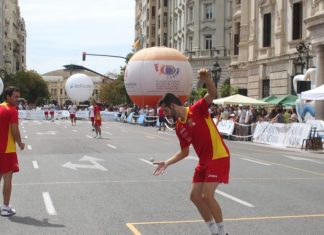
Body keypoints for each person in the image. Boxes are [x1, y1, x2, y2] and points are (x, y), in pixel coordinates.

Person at [153, 68, 230, 235]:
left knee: (207, 195)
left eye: (166, 111)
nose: (165, 115)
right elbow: (184, 152)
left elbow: (212, 93)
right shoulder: (179, 127)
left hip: (218, 156)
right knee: (195, 196)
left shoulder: (197, 109)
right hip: (204, 161)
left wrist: (207, 79)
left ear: (173, 106)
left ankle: (223, 232)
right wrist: (166, 162)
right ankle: (214, 231)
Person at [0, 86, 25, 216]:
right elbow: (14, 130)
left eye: (18, 96)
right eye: (15, 97)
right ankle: (5, 207)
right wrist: (20, 143)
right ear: (8, 96)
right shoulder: (12, 110)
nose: (17, 99)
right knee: (8, 179)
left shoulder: (0, 107)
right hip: (7, 149)